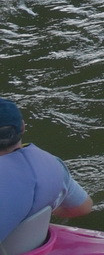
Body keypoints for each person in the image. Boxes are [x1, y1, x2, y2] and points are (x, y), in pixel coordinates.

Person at [0, 97, 94, 255]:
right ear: (22, 127)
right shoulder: (52, 163)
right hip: (37, 248)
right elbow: (84, 207)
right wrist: (35, 207)